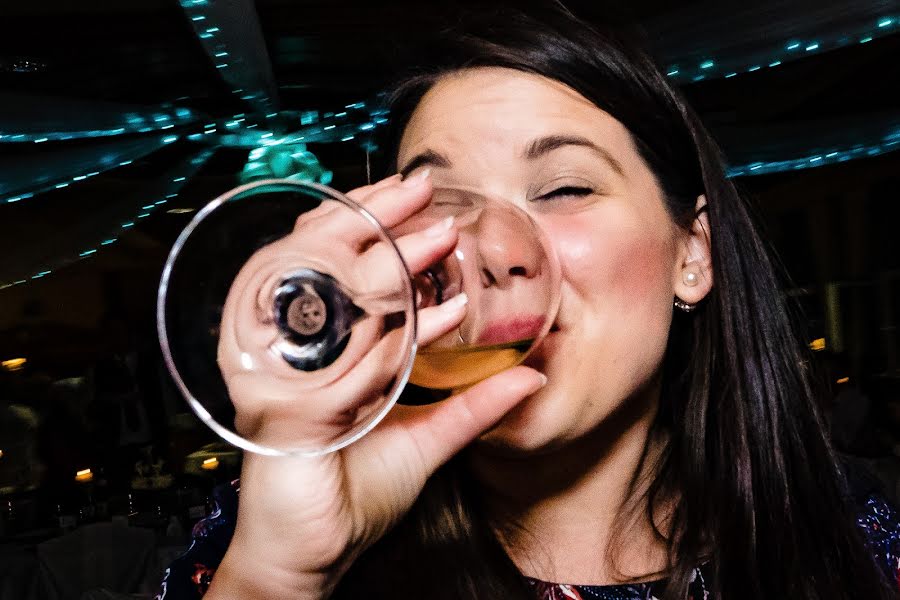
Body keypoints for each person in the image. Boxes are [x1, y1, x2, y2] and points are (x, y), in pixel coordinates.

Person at [157, 6, 900, 599]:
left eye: (565, 189)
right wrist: (283, 575)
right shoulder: (260, 547)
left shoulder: (850, 540)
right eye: (441, 210)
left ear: (692, 254)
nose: (496, 249)